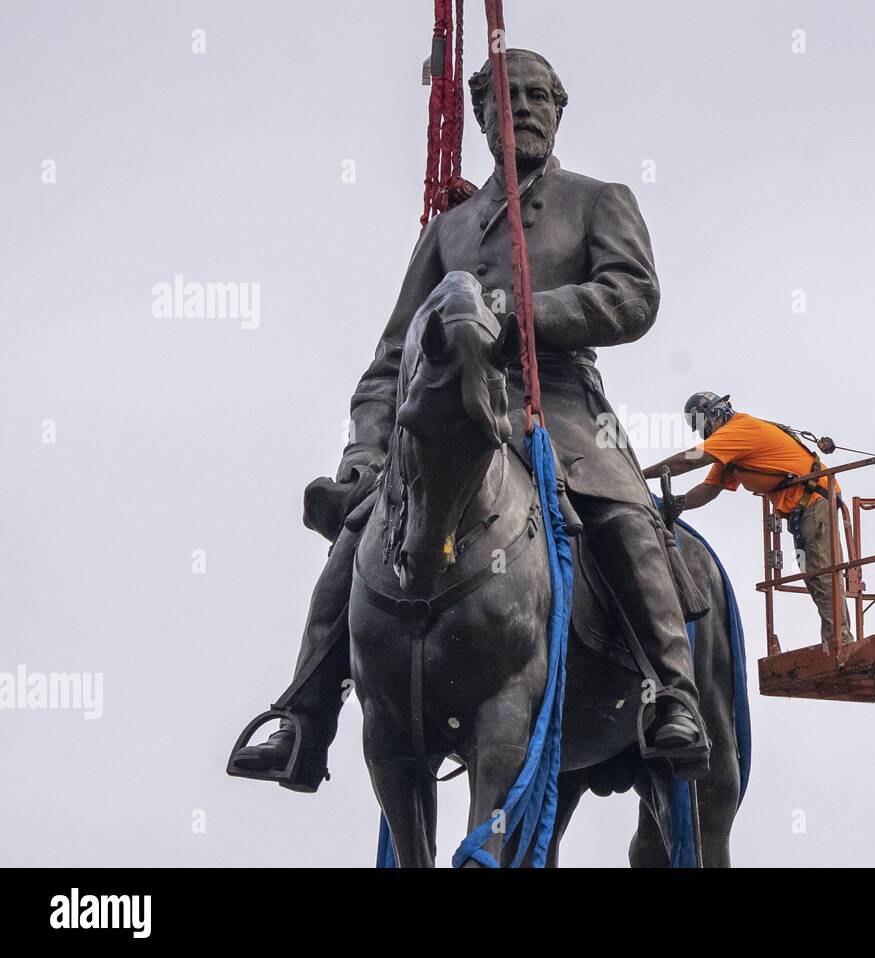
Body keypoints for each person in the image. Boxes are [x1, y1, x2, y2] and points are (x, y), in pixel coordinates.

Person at [231, 49, 707, 791]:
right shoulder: (448, 230)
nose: (521, 108)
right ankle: (305, 716)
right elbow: (394, 356)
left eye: (536, 96)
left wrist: (518, 313)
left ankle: (670, 693)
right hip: (450, 412)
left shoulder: (597, 199)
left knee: (623, 517)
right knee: (357, 538)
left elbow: (631, 296)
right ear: (481, 118)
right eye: (504, 99)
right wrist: (365, 454)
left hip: (561, 405)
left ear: (558, 108)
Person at [644, 391, 854, 651]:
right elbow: (709, 489)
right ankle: (835, 642)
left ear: (709, 418)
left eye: (702, 427)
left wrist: (639, 474)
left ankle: (840, 645)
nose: (705, 433)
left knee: (822, 575)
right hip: (803, 510)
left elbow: (690, 460)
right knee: (815, 577)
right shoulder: (731, 447)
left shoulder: (738, 431)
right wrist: (673, 505)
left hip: (815, 502)